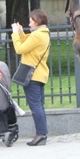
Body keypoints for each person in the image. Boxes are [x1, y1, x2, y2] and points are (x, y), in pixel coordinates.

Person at [11, 9, 50, 146]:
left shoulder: (37, 36)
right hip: (39, 74)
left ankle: (41, 134)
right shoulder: (43, 34)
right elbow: (26, 41)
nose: (29, 23)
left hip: (32, 75)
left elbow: (20, 49)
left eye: (31, 20)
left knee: (35, 106)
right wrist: (21, 33)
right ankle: (42, 133)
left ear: (38, 21)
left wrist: (15, 34)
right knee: (39, 105)